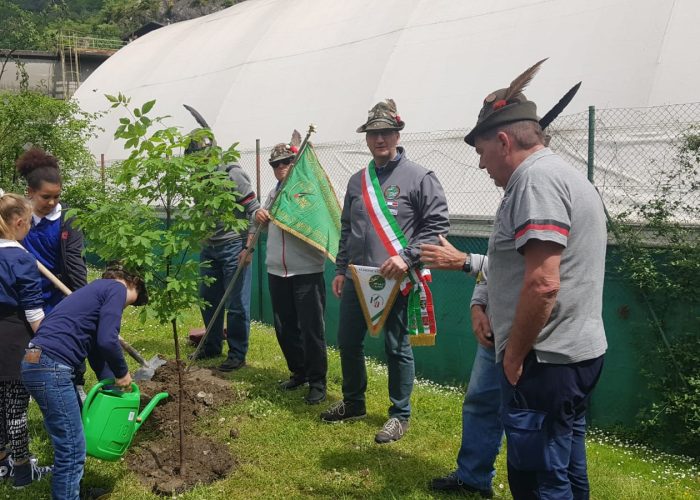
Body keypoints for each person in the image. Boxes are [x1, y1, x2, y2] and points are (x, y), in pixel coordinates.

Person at [464, 60, 608, 498]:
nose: (483, 164)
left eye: (482, 151)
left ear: (503, 140)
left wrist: (514, 356)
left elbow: (543, 283)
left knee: (537, 477)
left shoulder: (535, 181)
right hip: (572, 355)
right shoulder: (561, 175)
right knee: (564, 466)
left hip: (544, 362)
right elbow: (514, 264)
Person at [320, 99, 450, 444]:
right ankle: (353, 403)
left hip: (397, 279)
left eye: (386, 133)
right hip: (356, 278)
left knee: (397, 347)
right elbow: (347, 228)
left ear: (397, 134)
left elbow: (436, 228)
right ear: (366, 138)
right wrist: (338, 268)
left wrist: (407, 258)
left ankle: (399, 415)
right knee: (347, 343)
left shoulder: (420, 177)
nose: (380, 139)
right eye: (374, 133)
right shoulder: (356, 181)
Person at [20, 265, 148, 500]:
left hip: (34, 362)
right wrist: (123, 372)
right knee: (71, 447)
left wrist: (112, 385)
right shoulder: (116, 289)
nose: (125, 307)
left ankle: (72, 492)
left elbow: (98, 350)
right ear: (134, 284)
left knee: (72, 435)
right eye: (133, 303)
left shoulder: (93, 291)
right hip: (52, 366)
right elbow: (109, 340)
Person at [421, 238, 500, 498]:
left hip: (531, 336)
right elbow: (496, 259)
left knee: (532, 420)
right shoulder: (510, 201)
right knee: (480, 402)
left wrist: (468, 262)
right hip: (495, 331)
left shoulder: (540, 199)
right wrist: (478, 306)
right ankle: (473, 478)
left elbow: (526, 271)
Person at [253, 140, 328, 405]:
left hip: (306, 269)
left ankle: (318, 382)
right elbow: (264, 226)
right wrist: (258, 217)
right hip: (277, 269)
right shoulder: (273, 194)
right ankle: (299, 372)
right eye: (275, 164)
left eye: (286, 162)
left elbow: (319, 224)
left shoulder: (308, 193)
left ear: (295, 163)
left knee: (311, 329)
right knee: (284, 327)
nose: (281, 167)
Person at [16, 147, 89, 399]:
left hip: (60, 296)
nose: (52, 203)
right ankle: (30, 395)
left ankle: (76, 388)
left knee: (68, 346)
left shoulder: (67, 219)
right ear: (30, 193)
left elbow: (75, 262)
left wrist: (83, 299)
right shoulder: (16, 218)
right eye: (45, 197)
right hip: (27, 296)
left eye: (56, 197)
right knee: (30, 352)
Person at [187, 136, 261, 372]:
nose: (198, 162)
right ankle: (211, 345)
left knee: (237, 304)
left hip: (233, 246)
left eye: (201, 157)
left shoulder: (232, 173)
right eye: (194, 159)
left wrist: (249, 247)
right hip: (209, 248)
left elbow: (254, 210)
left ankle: (237, 354)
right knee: (208, 299)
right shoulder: (196, 178)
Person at [0, 193, 52, 488]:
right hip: (13, 342)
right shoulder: (21, 259)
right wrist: (50, 341)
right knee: (16, 408)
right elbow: (34, 312)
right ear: (19, 222)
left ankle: (1, 464)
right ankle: (21, 471)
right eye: (29, 224)